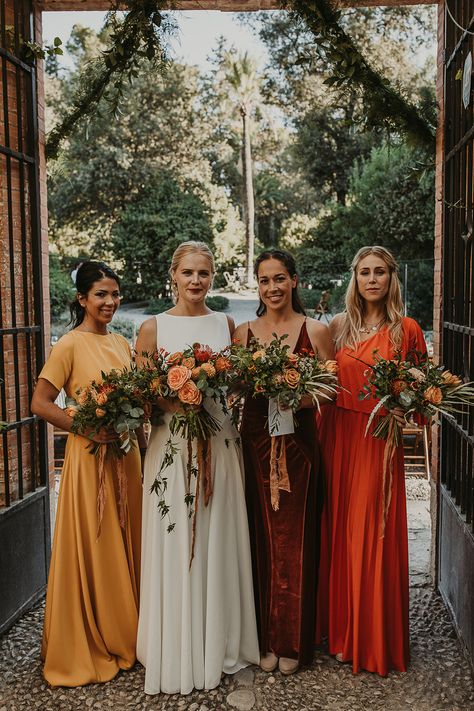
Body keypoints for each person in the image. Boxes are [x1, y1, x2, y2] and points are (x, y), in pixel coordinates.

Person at [136, 241, 259, 696]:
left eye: (204, 273)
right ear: (173, 274)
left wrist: (216, 389)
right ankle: (176, 643)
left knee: (219, 534)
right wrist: (180, 400)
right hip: (172, 445)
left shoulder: (227, 325)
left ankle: (221, 638)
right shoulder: (152, 328)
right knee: (175, 537)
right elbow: (145, 394)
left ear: (213, 276)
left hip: (220, 441)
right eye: (188, 272)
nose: (195, 281)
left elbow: (241, 385)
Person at [31, 261, 142, 687]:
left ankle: (131, 628)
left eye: (115, 294)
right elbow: (40, 403)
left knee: (127, 534)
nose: (111, 302)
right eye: (101, 295)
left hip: (125, 457)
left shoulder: (121, 343)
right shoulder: (69, 346)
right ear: (82, 299)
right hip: (89, 457)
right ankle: (103, 634)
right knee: (98, 541)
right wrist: (83, 424)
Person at [319, 245, 426, 676]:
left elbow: (422, 397)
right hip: (338, 436)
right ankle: (341, 635)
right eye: (364, 272)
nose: (372, 279)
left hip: (377, 440)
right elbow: (322, 385)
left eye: (380, 272)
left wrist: (405, 407)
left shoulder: (407, 330)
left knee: (372, 534)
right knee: (340, 532)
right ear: (355, 278)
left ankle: (373, 639)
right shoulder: (338, 327)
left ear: (391, 277)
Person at [233, 248, 334, 676]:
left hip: (300, 446)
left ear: (294, 280)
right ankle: (264, 640)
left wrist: (294, 394)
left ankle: (293, 643)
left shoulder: (317, 330)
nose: (272, 288)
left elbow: (331, 388)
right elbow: (234, 387)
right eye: (264, 280)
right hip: (255, 442)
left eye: (279, 279)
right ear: (257, 286)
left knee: (296, 540)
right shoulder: (242, 333)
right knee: (259, 538)